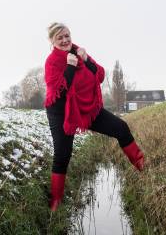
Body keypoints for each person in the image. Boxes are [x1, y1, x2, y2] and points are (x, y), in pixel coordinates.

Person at [44, 22, 144, 211]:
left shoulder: (80, 53)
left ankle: (142, 165)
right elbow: (59, 92)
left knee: (121, 128)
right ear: (52, 41)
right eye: (60, 38)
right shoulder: (52, 62)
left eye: (67, 36)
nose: (65, 40)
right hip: (60, 112)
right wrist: (70, 68)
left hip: (86, 107)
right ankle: (55, 201)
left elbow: (99, 76)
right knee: (62, 155)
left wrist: (87, 59)